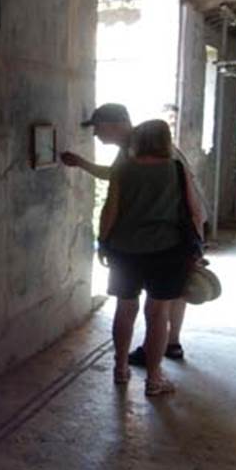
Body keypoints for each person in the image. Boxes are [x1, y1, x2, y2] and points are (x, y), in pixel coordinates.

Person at [61, 103, 205, 364]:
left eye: (98, 127)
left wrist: (104, 241)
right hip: (173, 236)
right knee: (164, 298)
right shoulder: (144, 146)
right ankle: (165, 351)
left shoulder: (142, 149)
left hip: (169, 233)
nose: (96, 134)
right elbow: (118, 177)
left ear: (117, 124)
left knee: (148, 303)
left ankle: (153, 352)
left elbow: (115, 193)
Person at [98, 119, 203, 396]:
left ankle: (120, 369)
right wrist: (198, 247)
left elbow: (110, 211)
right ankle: (154, 379)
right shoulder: (177, 170)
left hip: (125, 250)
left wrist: (102, 242)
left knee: (125, 308)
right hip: (167, 251)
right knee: (158, 315)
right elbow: (194, 212)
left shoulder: (123, 170)